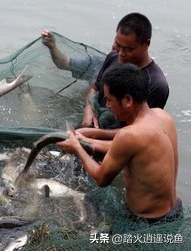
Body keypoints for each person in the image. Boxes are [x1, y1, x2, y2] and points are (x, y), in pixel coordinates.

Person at [57, 64, 182, 228]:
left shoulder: (129, 136)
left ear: (128, 100)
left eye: (109, 99)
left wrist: (77, 147)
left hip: (146, 223)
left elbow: (101, 179)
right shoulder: (163, 116)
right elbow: (136, 143)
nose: (107, 105)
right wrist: (91, 136)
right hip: (174, 212)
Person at [42, 13, 169, 152]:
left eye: (128, 49)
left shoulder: (157, 85)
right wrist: (88, 110)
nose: (120, 53)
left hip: (117, 146)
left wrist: (94, 135)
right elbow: (95, 87)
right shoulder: (113, 57)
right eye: (118, 45)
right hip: (90, 127)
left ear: (146, 44)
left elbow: (142, 133)